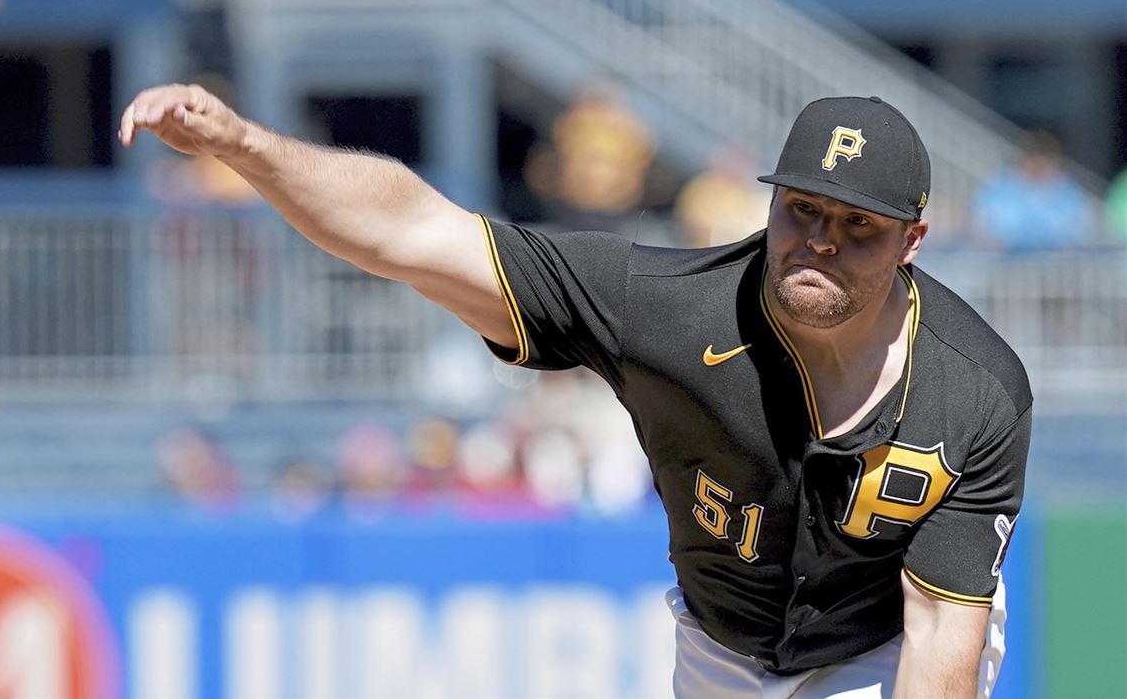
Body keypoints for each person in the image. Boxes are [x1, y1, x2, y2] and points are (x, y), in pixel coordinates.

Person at [121, 88, 1031, 698]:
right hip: (719, 648)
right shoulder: (665, 308)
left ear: (912, 241)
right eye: (803, 208)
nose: (820, 240)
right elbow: (410, 231)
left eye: (858, 226)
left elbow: (943, 632)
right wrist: (241, 145)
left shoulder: (974, 393)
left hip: (876, 654)